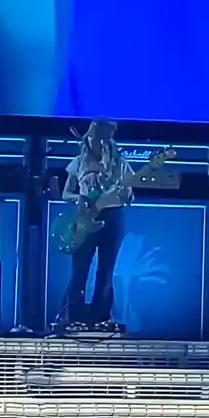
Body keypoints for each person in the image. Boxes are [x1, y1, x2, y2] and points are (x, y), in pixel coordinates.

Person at [59, 119, 134, 333]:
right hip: (85, 217)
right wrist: (79, 198)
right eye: (96, 138)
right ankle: (75, 317)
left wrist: (124, 192)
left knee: (105, 270)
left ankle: (101, 317)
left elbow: (130, 196)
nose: (100, 143)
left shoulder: (120, 164)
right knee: (80, 268)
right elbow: (66, 193)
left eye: (104, 139)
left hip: (112, 216)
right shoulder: (78, 163)